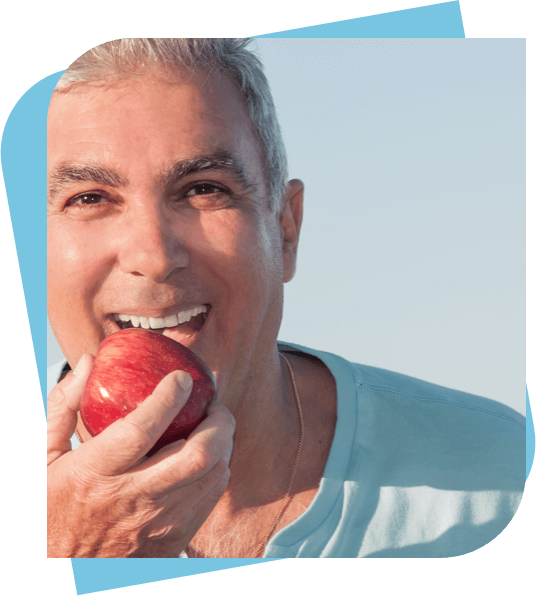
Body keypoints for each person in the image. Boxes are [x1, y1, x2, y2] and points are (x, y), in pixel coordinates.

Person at [47, 38, 526, 558]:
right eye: (88, 198)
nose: (154, 255)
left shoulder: (502, 477)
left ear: (286, 229)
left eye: (204, 189)